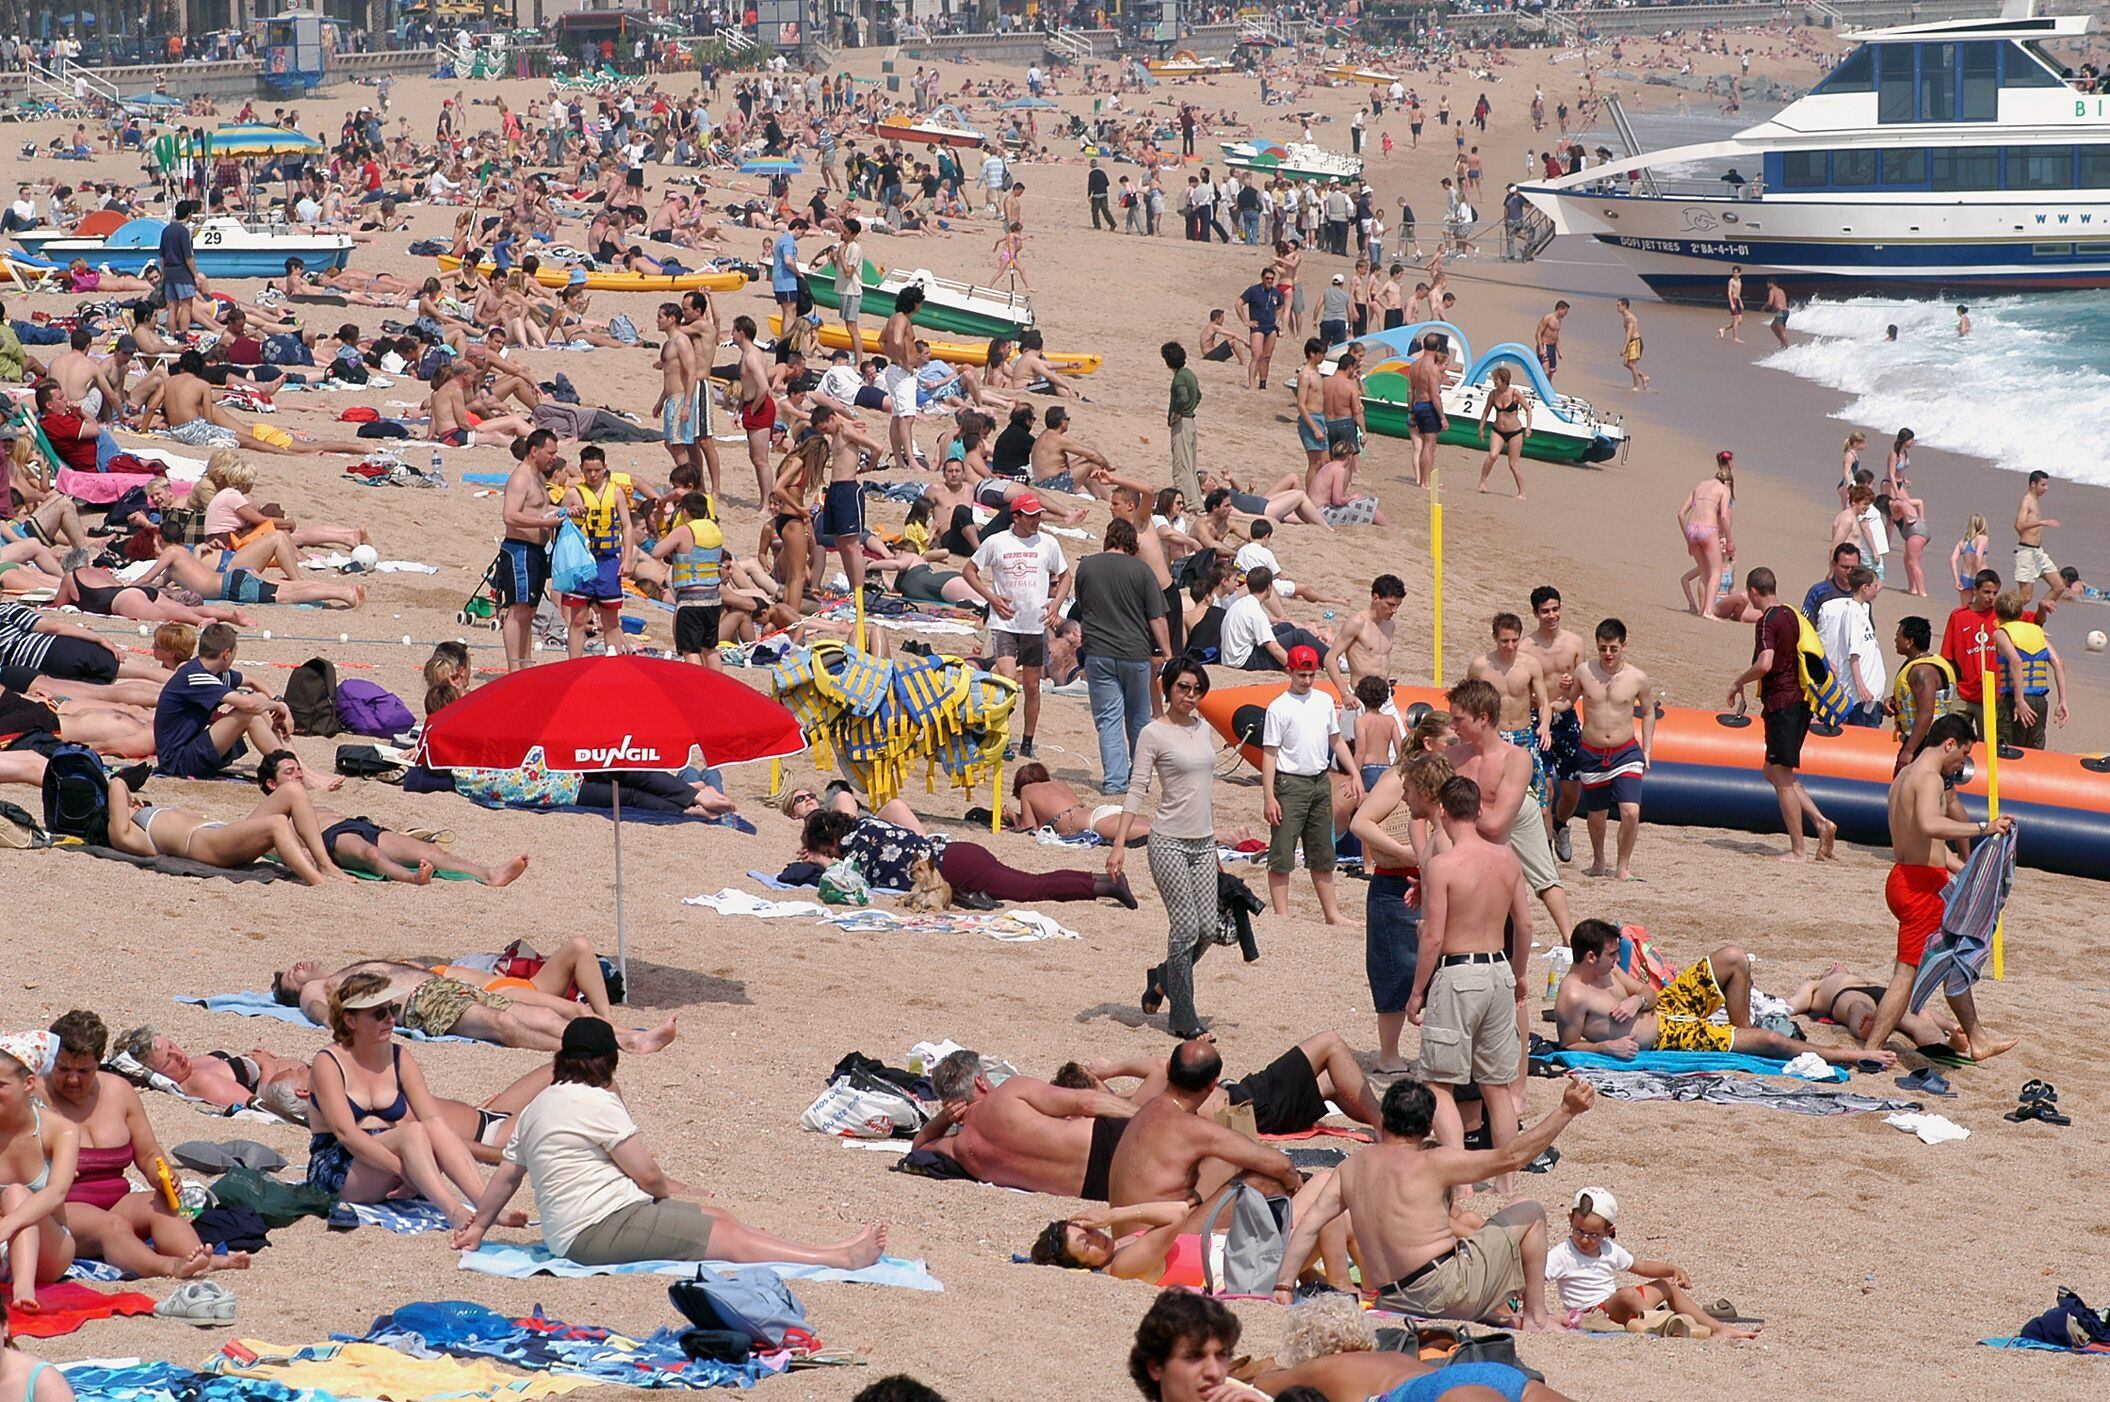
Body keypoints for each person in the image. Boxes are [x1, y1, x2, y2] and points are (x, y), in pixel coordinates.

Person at [455, 1018, 885, 1268]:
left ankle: (829, 1249)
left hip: (582, 1226)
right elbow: (647, 1174)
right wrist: (661, 1195)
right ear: (610, 1061)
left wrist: (477, 1229)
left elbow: (507, 1177)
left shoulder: (538, 1105)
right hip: (595, 1230)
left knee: (720, 1218)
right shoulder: (600, 1102)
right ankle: (837, 1260)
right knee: (727, 1238)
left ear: (560, 1059)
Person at [1271, 1076, 1596, 1329]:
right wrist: (1566, 1110)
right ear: (1428, 1127)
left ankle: (1502, 1314)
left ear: (1383, 1118)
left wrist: (1284, 1285)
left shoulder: (1350, 1167)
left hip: (1392, 1299)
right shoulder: (1435, 1162)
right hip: (1442, 1290)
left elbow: (1311, 1223)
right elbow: (1512, 1157)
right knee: (1530, 1210)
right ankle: (1536, 1318)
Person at [39, 1011, 248, 1281]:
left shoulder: (119, 1091)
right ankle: (169, 1267)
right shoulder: (35, 1098)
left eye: (84, 1071)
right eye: (63, 1068)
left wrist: (163, 1176)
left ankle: (197, 1258)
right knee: (112, 1226)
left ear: (99, 1062)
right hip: (62, 1210)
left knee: (160, 1203)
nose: (73, 1080)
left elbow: (148, 1153)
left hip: (117, 1199)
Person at [303, 973, 519, 1231]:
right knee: (412, 1132)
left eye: (392, 1009)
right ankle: (452, 1210)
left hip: (392, 1159)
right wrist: (405, 1172)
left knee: (431, 1127)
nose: (391, 1020)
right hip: (339, 1166)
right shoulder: (328, 1063)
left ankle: (487, 1207)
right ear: (350, 1020)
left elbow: (433, 1119)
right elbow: (346, 1134)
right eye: (379, 1014)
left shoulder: (398, 1056)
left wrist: (411, 1169)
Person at [1859, 716, 2017, 1061]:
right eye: (1963, 753)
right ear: (1948, 744)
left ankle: (1977, 1037)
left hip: (1907, 875)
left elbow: (1925, 845)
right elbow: (1929, 825)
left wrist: (1969, 872)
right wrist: (1983, 827)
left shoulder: (1904, 775)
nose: (1962, 763)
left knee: (1952, 957)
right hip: (1918, 886)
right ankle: (1871, 1049)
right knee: (1907, 972)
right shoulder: (1929, 778)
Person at [1406, 775, 1530, 1186]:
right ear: (1479, 811)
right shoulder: (1507, 858)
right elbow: (1525, 924)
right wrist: (1519, 972)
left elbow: (1433, 935)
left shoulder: (1443, 865)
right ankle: (1506, 1180)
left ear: (1442, 811)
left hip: (1459, 970)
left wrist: (1417, 991)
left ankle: (1459, 1182)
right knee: (1497, 1084)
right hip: (1498, 968)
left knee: (1438, 1082)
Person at [1556, 920, 1881, 1066]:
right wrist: (1606, 1046)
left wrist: (1636, 999)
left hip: (1666, 1006)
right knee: (1770, 1042)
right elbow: (1569, 1045)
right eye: (1612, 955)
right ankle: (1857, 1055)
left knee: (1734, 957)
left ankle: (1742, 1032)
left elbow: (1648, 992)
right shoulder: (1572, 998)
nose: (1618, 960)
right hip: (1667, 1034)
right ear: (1590, 957)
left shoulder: (1608, 970)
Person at [1114, 660, 1224, 1037]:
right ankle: (1184, 1016)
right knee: (1185, 929)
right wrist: (1119, 844)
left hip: (1203, 843)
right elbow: (1137, 788)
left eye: (1196, 689)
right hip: (1168, 843)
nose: (1190, 696)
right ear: (1168, 688)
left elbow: (1205, 792)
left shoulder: (1203, 728)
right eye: (1183, 688)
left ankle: (1162, 977)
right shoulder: (1153, 733)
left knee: (1209, 929)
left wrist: (1216, 846)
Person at [274, 960, 676, 1053]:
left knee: (547, 1016)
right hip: (422, 1003)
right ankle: (593, 1049)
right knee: (503, 1024)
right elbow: (322, 1014)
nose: (298, 968)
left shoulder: (350, 965)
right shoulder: (318, 987)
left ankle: (628, 1038)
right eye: (291, 976)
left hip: (448, 987)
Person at [256, 751, 529, 886]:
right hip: (332, 839)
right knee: (369, 854)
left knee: (431, 850)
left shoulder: (307, 801)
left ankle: (490, 874)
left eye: (298, 770)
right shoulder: (277, 815)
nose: (299, 776)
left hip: (358, 825)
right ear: (271, 784)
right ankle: (412, 879)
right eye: (290, 772)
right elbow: (288, 847)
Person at [1103, 1040, 1302, 1211]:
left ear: (1169, 1068)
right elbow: (1283, 1167)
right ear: (1213, 1084)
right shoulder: (1191, 1126)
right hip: (1156, 1240)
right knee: (1264, 1181)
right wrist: (1294, 1183)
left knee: (1229, 1161)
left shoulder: (1149, 1107)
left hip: (1129, 1227)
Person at [1444, 678, 1572, 940]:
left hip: (1517, 813)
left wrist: (1459, 808)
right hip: (1477, 818)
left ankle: (1570, 940)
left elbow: (1496, 823)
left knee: (1545, 878)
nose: (1452, 726)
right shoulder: (1453, 756)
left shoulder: (1515, 757)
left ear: (1482, 718)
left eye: (1459, 720)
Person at [911, 1051, 1138, 1199]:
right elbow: (1085, 1102)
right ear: (979, 1081)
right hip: (1107, 1141)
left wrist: (944, 1118)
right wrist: (1142, 1115)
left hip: (1096, 1188)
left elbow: (918, 1147)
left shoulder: (961, 1149)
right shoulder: (1010, 1091)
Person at [799, 809, 1133, 909]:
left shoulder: (854, 853)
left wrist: (823, 864)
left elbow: (851, 887)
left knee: (1033, 887)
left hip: (953, 867)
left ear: (829, 842)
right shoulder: (869, 824)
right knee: (1030, 882)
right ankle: (1101, 883)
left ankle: (1105, 885)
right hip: (958, 854)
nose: (831, 855)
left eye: (826, 850)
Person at [1725, 568, 1836, 862]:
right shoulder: (1792, 615)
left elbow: (1765, 663)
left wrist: (1739, 681)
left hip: (1782, 703)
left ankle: (1799, 849)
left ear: (1752, 593)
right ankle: (1822, 822)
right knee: (1774, 771)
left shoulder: (1766, 622)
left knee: (1782, 777)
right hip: (1801, 700)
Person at [1545, 1187, 1757, 1338]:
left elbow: (1642, 1267)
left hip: (1615, 1304)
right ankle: (1663, 1322)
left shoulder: (1608, 1250)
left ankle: (1717, 1328)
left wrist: (1673, 1269)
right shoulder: (1563, 1253)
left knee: (1667, 1285)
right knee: (1628, 1293)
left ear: (1608, 1232)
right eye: (1579, 1231)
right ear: (1570, 1220)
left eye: (1593, 1235)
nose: (1584, 1239)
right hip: (1591, 1314)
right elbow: (1534, 1278)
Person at [963, 495, 1069, 761]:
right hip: (1005, 623)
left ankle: (1027, 741)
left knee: (1033, 686)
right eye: (1030, 515)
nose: (1036, 520)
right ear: (1016, 517)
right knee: (1007, 680)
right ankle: (1002, 737)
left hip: (1035, 625)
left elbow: (1066, 576)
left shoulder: (1048, 543)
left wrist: (1055, 604)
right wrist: (991, 598)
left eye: (1038, 515)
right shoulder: (997, 542)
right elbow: (969, 571)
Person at [1072, 518, 1170, 796]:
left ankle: (1115, 782)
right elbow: (1157, 617)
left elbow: (1082, 604)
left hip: (1099, 651)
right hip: (1135, 652)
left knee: (1108, 720)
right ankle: (1138, 779)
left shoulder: (1087, 566)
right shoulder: (1142, 571)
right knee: (1138, 718)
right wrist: (1167, 651)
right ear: (1132, 543)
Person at [1263, 647, 1359, 925]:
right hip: (1290, 782)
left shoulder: (1323, 701)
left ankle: (1332, 913)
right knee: (1282, 849)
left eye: (1310, 675)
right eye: (1301, 674)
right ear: (1289, 672)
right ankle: (1282, 915)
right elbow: (1269, 753)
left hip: (1319, 780)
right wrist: (1269, 795)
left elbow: (1336, 740)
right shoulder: (1279, 707)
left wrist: (1353, 771)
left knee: (1322, 850)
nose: (1306, 680)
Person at [149, 622, 288, 779]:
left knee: (261, 699)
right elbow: (247, 705)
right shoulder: (195, 675)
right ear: (226, 653)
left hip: (189, 747)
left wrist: (278, 702)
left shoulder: (213, 671)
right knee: (248, 714)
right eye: (235, 651)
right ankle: (287, 769)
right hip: (176, 762)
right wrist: (279, 707)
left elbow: (252, 681)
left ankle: (298, 767)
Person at [0, 1032, 77, 1309]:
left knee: (17, 1194)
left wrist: (9, 1223)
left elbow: (56, 1193)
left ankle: (23, 1288)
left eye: (1, 1085)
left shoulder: (60, 1129)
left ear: (28, 1083)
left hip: (51, 1249)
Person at [1575, 619, 1653, 880]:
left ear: (1624, 646)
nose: (1607, 654)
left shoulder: (1637, 677)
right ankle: (1599, 862)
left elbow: (1649, 712)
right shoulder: (1584, 672)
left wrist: (1648, 750)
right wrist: (1548, 703)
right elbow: (1566, 701)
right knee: (1597, 815)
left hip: (1626, 751)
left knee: (1631, 811)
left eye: (1613, 649)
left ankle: (1623, 866)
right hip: (1592, 752)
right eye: (1602, 649)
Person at [1786, 963, 1974, 1057]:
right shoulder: (1818, 983)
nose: (1836, 964)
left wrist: (1950, 1025)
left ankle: (1943, 1045)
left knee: (1919, 1016)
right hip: (1847, 993)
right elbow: (1796, 1002)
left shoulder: (1860, 975)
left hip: (1887, 994)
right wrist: (1786, 1009)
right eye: (1830, 967)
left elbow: (1927, 1011)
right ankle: (1865, 1024)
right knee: (1857, 1007)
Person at [557, 447, 634, 659]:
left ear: (604, 468)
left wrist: (626, 559)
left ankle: (615, 664)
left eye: (597, 470)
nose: (592, 475)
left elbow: (627, 527)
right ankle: (574, 664)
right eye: (588, 470)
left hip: (608, 561)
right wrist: (568, 513)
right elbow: (558, 522)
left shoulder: (616, 492)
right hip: (582, 561)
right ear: (581, 469)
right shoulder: (574, 493)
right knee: (579, 618)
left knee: (610, 619)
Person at [494, 429, 562, 670]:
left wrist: (562, 513)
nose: (554, 457)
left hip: (536, 551)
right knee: (518, 609)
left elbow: (538, 509)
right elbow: (510, 516)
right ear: (535, 451)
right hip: (519, 549)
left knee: (530, 611)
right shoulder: (521, 478)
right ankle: (515, 667)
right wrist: (545, 522)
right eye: (550, 452)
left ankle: (525, 664)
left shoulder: (539, 478)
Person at [1989, 590, 2067, 749]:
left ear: (1996, 612)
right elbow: (2058, 663)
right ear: (2020, 612)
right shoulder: (2037, 631)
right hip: (2040, 701)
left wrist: (2019, 701)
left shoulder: (2001, 633)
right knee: (2034, 744)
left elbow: (2016, 661)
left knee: (2007, 744)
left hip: (2015, 699)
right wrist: (2062, 701)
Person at [1816, 567, 1886, 728]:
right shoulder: (1852, 612)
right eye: (1874, 586)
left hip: (1871, 694)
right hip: (1861, 696)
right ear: (1865, 587)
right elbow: (1853, 653)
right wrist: (1861, 686)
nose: (1878, 589)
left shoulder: (1863, 609)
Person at [1940, 569, 2003, 735]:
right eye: (1986, 592)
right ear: (1975, 591)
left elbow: (2032, 620)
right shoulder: (1958, 616)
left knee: (1988, 743)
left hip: (1992, 693)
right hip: (1963, 692)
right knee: (1952, 736)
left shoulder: (2001, 615)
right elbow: (1947, 656)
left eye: (1995, 593)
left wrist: (2043, 610)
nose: (1991, 597)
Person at [1889, 615, 1954, 773]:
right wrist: (1892, 702)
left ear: (1910, 641)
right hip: (1925, 741)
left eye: (1898, 637)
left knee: (1906, 789)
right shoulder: (1922, 664)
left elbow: (1926, 712)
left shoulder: (1922, 672)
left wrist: (1909, 751)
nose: (1895, 640)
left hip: (1925, 743)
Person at [1676, 452, 1736, 617]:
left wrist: (1688, 539)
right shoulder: (1724, 490)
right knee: (1716, 571)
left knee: (1704, 572)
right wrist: (1729, 540)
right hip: (1708, 529)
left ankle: (1703, 608)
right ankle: (1708, 611)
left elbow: (1681, 513)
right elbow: (1723, 516)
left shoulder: (1701, 485)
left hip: (1692, 529)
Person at [1475, 365, 1531, 499]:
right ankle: (1482, 482)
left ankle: (1522, 492)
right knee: (1492, 455)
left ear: (1505, 380)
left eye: (1497, 380)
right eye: (1494, 380)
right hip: (1498, 430)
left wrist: (1528, 427)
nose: (1495, 382)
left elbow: (1528, 409)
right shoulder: (1493, 394)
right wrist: (1481, 428)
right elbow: (1486, 412)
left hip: (1515, 432)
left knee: (1513, 464)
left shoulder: (1514, 393)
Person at [2013, 470, 2065, 609]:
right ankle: (2003, 615)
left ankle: (2037, 619)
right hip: (2026, 553)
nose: (2046, 488)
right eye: (2043, 485)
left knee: (2059, 586)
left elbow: (2021, 528)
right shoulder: (2027, 501)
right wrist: (2042, 522)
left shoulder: (2035, 501)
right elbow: (2019, 525)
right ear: (2033, 484)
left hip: (2038, 553)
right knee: (2025, 598)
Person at [1163, 341, 1200, 509]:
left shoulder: (1179, 378)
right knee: (1190, 465)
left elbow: (1183, 397)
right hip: (1190, 422)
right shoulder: (1189, 374)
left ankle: (1189, 503)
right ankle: (1196, 501)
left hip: (1183, 423)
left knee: (1181, 465)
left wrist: (1177, 413)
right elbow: (1198, 395)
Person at [1236, 266, 1281, 391]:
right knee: (1256, 355)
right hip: (1257, 327)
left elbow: (1280, 307)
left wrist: (1278, 321)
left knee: (1267, 357)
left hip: (1271, 328)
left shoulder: (1276, 292)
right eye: (1267, 278)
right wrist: (1245, 321)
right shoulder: (1253, 290)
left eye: (1272, 279)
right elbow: (1238, 303)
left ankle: (1263, 383)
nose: (1269, 281)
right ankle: (1251, 384)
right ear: (1262, 278)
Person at [1616, 297, 1650, 391]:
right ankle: (1644, 377)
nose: (1617, 308)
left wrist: (1624, 348)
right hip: (1632, 342)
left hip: (1635, 342)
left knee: (1631, 364)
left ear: (1624, 306)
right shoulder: (1625, 317)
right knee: (1626, 363)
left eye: (1619, 306)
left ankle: (1636, 386)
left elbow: (1629, 333)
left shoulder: (1630, 318)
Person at [1533, 301, 1568, 379]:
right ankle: (1539, 388)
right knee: (1545, 371)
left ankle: (1547, 389)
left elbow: (1556, 337)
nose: (1566, 314)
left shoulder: (1559, 321)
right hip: (1544, 345)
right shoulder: (1548, 318)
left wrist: (1559, 351)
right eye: (1565, 312)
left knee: (1551, 371)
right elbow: (1538, 333)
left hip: (1552, 348)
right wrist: (1541, 349)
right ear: (1560, 309)